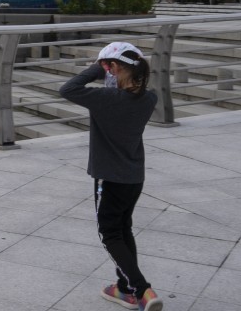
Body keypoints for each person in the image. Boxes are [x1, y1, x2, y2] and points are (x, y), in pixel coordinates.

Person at [59, 42, 163, 311]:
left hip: (109, 178)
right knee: (123, 228)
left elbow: (67, 89)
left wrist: (95, 69)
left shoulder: (105, 99)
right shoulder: (149, 98)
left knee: (109, 234)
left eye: (107, 67)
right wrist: (109, 67)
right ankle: (124, 288)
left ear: (114, 68)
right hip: (134, 177)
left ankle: (142, 290)